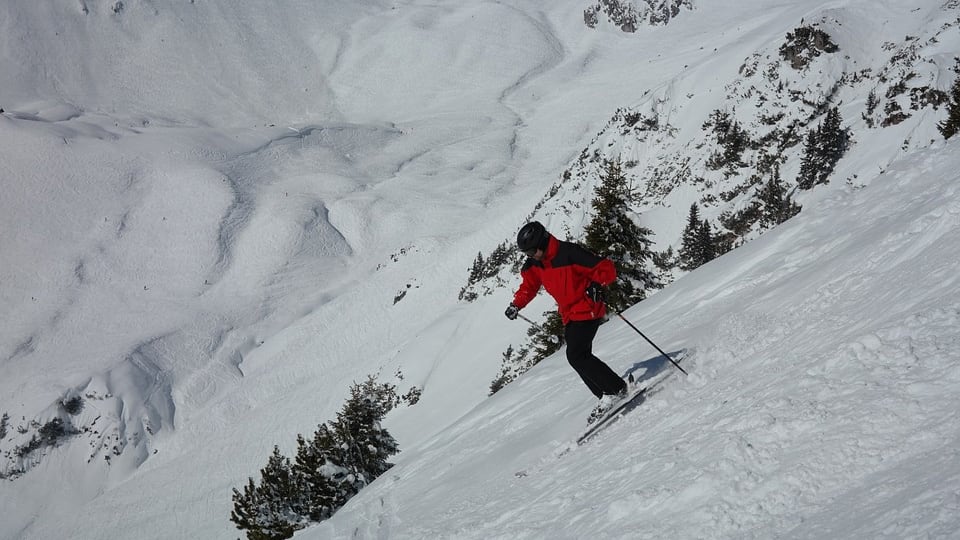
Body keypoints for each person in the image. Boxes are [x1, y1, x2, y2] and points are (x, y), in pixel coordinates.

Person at [504, 221, 627, 416]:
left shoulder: (569, 253)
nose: (530, 256)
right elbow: (529, 286)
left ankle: (614, 390)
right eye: (527, 253)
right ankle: (609, 392)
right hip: (570, 315)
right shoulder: (535, 264)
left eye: (532, 251)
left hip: (588, 308)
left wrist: (596, 284)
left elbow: (605, 268)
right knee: (579, 356)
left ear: (543, 243)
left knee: (576, 355)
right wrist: (516, 304)